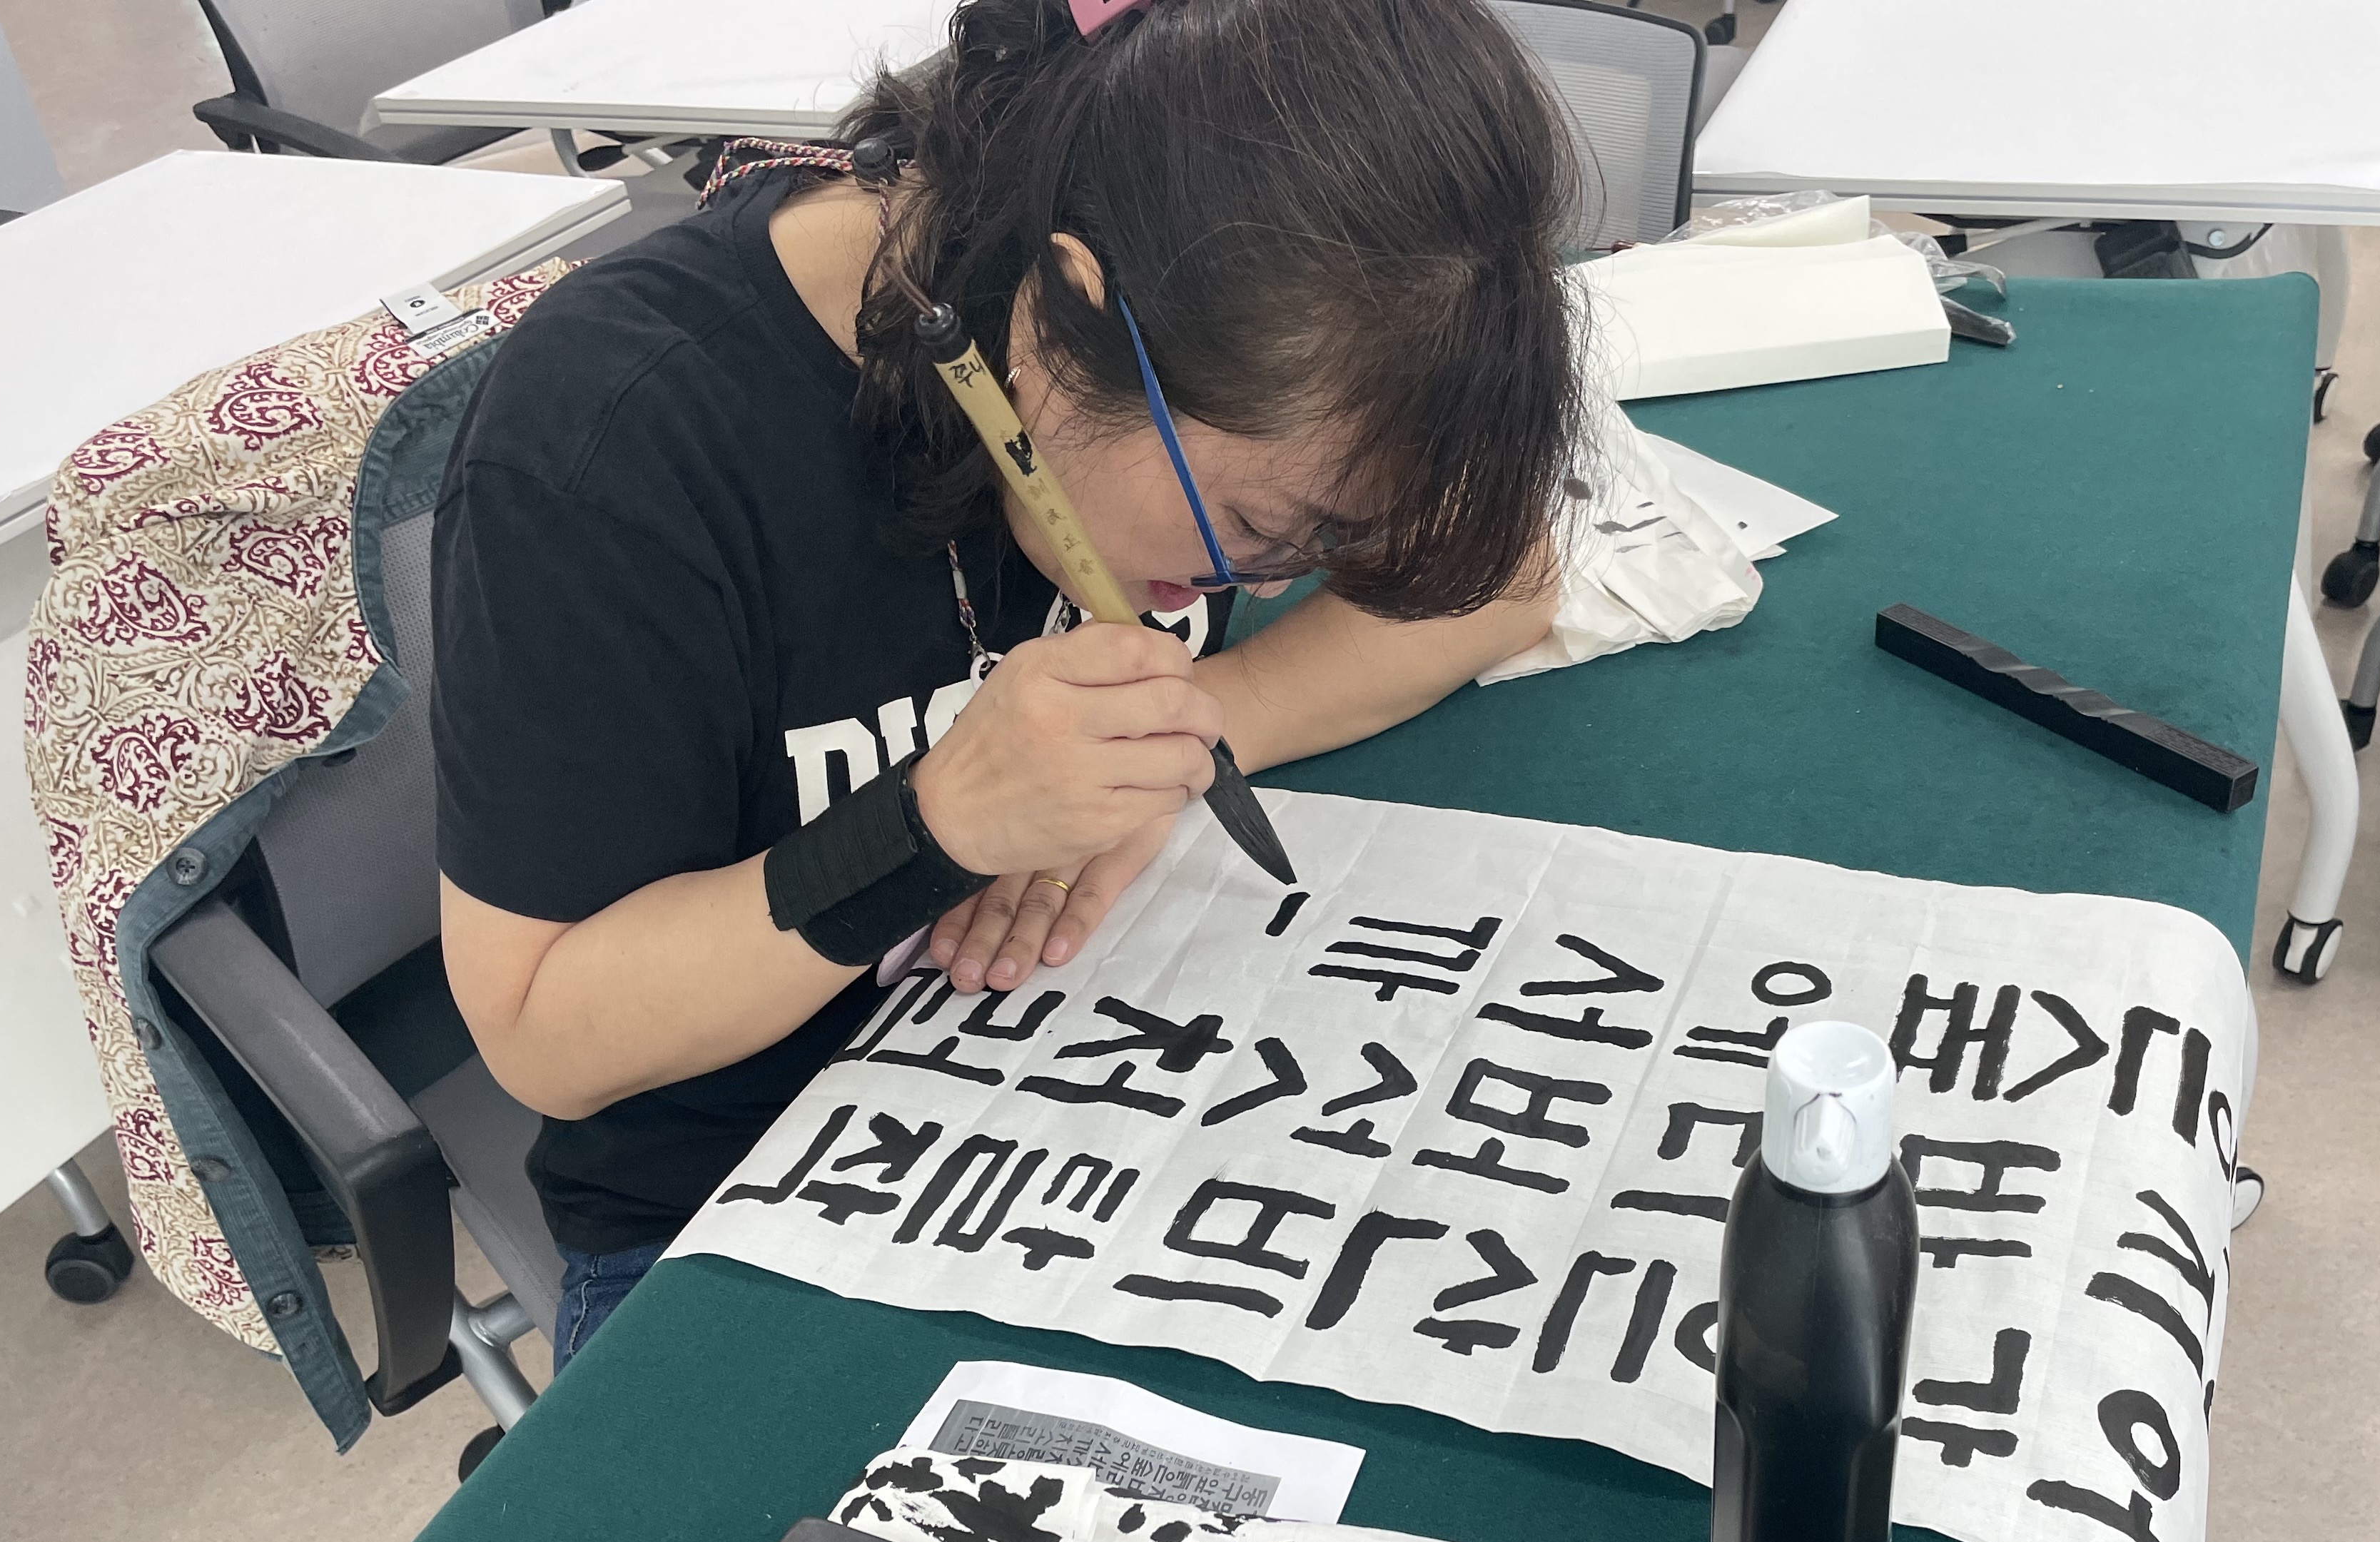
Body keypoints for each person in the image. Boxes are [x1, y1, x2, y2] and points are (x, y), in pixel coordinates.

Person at [431, 0, 1581, 1367]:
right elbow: (542, 1034)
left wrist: (1170, 744)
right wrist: (934, 827)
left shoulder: (1241, 351)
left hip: (1079, 1094)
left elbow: (1513, 577)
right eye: (1259, 533)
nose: (1261, 585)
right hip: (740, 1202)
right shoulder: (620, 434)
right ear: (1065, 311)